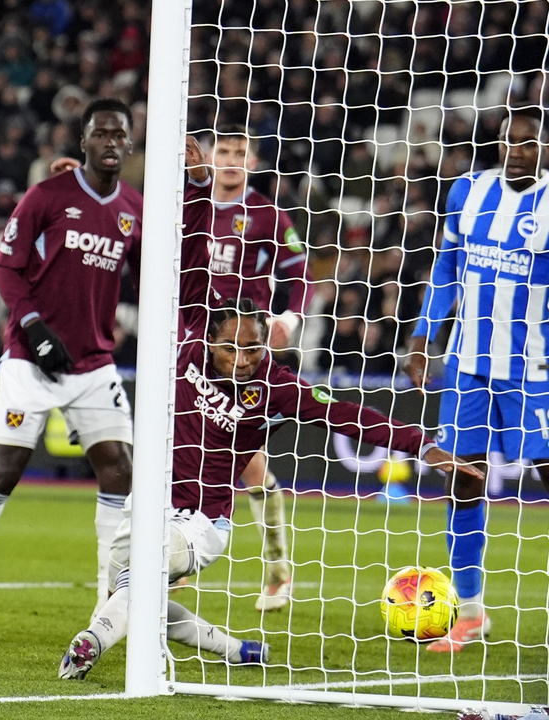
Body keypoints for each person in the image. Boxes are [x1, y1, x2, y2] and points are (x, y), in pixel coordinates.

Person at [59, 298, 482, 679]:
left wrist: (422, 445)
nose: (243, 360)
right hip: (146, 503)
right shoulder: (188, 349)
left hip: (201, 522)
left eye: (254, 349)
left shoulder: (276, 388)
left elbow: (348, 415)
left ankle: (89, 643)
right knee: (135, 596)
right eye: (231, 349)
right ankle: (236, 650)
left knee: (141, 575)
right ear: (209, 342)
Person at [0, 97, 151, 623]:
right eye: (101, 133)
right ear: (83, 140)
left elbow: (147, 275)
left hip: (93, 362)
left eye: (119, 134)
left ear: (130, 143)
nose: (111, 142)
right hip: (30, 357)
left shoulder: (134, 208)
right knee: (8, 468)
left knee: (120, 469)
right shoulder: (48, 195)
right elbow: (5, 267)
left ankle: (106, 599)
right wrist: (33, 327)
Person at [405, 106, 549, 653]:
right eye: (510, 140)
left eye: (529, 142)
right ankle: (470, 613)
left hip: (532, 368)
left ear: (544, 148)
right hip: (467, 364)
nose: (517, 151)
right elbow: (447, 267)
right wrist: (423, 335)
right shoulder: (467, 190)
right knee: (463, 478)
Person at [198, 125, 315, 611]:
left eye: (240, 152)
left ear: (253, 162)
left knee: (247, 461)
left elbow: (300, 273)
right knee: (179, 450)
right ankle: (173, 560)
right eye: (223, 150)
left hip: (244, 353)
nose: (230, 159)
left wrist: (289, 318)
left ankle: (278, 571)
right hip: (192, 346)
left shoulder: (267, 214)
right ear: (209, 156)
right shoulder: (189, 205)